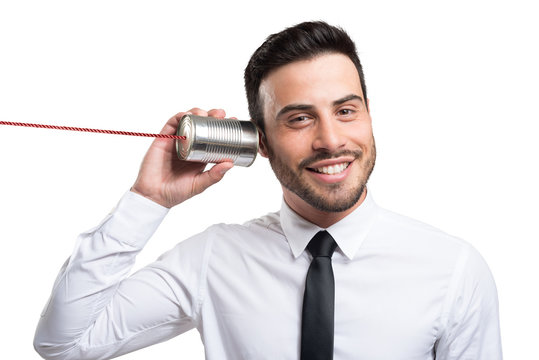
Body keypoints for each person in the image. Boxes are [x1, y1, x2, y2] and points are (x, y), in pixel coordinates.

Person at [33, 21, 502, 360]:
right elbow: (64, 343)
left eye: (345, 111)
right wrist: (147, 200)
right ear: (259, 140)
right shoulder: (212, 259)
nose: (331, 140)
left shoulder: (452, 269)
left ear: (368, 116)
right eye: (299, 118)